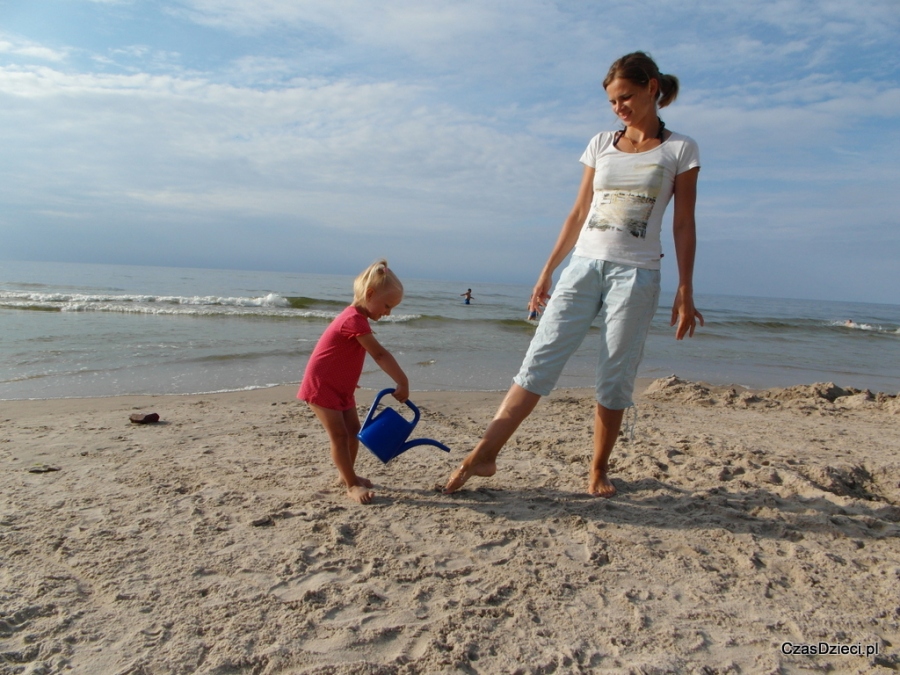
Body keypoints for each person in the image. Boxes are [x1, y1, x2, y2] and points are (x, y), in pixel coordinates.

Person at [444, 51, 704, 498]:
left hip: (638, 274)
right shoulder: (601, 143)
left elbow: (683, 223)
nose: (618, 107)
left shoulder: (681, 149)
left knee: (615, 374)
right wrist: (547, 271)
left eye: (625, 97)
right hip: (582, 266)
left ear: (651, 88)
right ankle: (487, 452)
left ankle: (598, 469)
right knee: (540, 358)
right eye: (612, 101)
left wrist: (686, 287)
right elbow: (579, 211)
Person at [299, 259, 409, 504]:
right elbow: (379, 354)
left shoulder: (358, 319)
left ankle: (346, 475)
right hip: (322, 387)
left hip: (341, 388)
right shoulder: (353, 320)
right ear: (370, 294)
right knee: (339, 435)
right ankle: (351, 485)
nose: (388, 313)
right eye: (387, 305)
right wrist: (402, 381)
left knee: (353, 433)